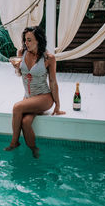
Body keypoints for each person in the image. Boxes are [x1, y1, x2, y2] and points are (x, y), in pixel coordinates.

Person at [4, 26, 65, 158]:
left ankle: (14, 142)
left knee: (17, 107)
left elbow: (53, 82)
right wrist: (16, 68)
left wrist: (57, 105)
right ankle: (34, 149)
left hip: (44, 97)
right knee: (25, 122)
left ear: (38, 40)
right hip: (29, 97)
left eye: (30, 40)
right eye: (25, 40)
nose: (26, 43)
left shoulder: (49, 58)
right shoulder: (21, 53)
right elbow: (21, 74)